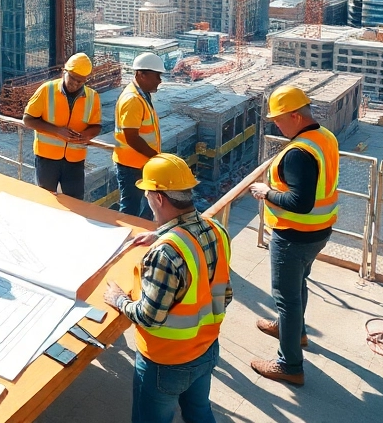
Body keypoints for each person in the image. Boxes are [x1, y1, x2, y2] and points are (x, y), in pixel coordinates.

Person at [103, 154, 232, 423]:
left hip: (166, 361)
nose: (148, 201)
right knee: (199, 412)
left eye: (148, 195)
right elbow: (223, 294)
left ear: (159, 198)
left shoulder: (165, 254)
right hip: (206, 347)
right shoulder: (217, 230)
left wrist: (118, 300)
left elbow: (149, 317)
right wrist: (163, 232)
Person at [248, 85, 338, 386]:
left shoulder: (299, 153)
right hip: (317, 232)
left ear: (297, 116)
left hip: (293, 235)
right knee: (297, 286)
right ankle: (293, 331)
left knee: (286, 297)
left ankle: (289, 365)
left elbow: (300, 202)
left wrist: (266, 192)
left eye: (279, 118)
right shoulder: (323, 137)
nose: (276, 124)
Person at [22, 52, 103, 199]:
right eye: (72, 78)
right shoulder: (47, 90)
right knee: (45, 199)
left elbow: (96, 125)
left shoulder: (92, 97)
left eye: (80, 81)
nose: (75, 84)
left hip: (75, 161)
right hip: (47, 158)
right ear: (64, 72)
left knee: (75, 202)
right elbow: (28, 119)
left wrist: (88, 135)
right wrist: (57, 131)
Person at [113, 52, 166, 219]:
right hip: (131, 166)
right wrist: (157, 157)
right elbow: (131, 137)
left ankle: (140, 236)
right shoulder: (133, 99)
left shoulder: (142, 95)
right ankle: (128, 240)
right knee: (130, 209)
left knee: (147, 207)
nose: (160, 80)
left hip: (140, 163)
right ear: (141, 74)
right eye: (156, 75)